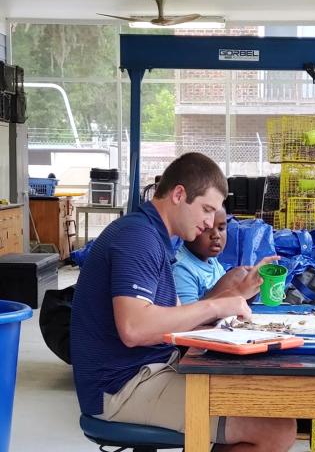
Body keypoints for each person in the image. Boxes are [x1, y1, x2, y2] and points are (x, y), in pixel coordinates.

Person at [71, 152, 297, 452]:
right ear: (179, 194)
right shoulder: (137, 238)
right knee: (275, 428)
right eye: (206, 209)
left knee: (267, 402)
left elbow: (174, 317)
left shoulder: (152, 236)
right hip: (121, 387)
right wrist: (217, 306)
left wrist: (232, 300)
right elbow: (135, 328)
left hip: (148, 370)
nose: (208, 223)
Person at [174, 206, 279, 305]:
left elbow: (232, 303)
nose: (216, 235)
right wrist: (229, 283)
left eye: (220, 228)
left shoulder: (212, 262)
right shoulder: (181, 269)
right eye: (206, 229)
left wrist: (250, 286)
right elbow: (188, 318)